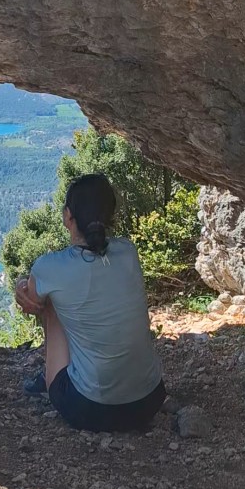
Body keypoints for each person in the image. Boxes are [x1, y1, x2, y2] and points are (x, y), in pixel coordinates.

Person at [16, 172, 165, 432]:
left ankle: (51, 376)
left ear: (68, 216)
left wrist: (20, 286)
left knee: (52, 302)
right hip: (150, 400)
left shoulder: (50, 268)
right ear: (110, 214)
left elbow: (31, 304)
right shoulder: (128, 251)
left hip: (91, 409)